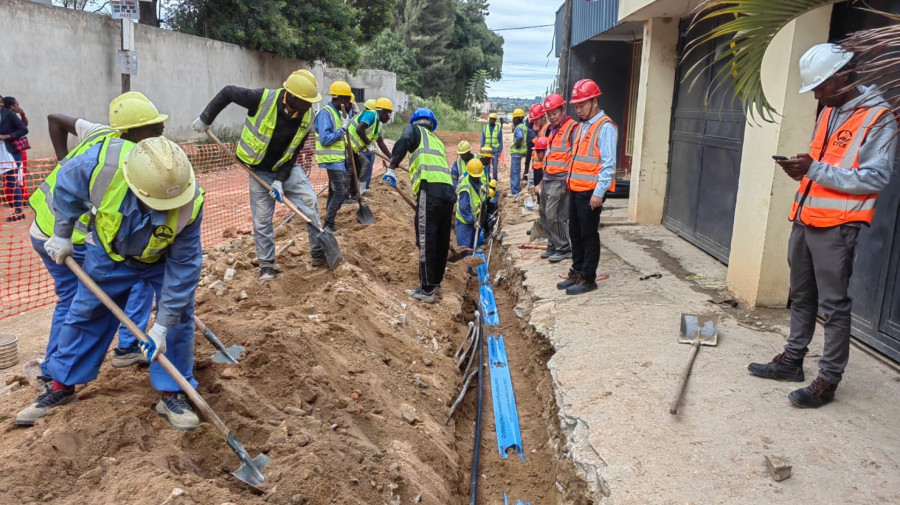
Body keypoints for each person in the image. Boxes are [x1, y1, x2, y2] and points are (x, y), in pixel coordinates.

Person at [16, 136, 206, 431]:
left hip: (163, 261)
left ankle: (173, 391)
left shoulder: (190, 201)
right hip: (109, 252)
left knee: (179, 318)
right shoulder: (99, 167)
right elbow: (65, 188)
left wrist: (162, 326)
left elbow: (184, 268)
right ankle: (62, 387)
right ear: (134, 185)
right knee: (86, 313)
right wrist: (63, 233)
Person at [748, 43, 897, 408]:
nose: (815, 94)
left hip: (837, 226)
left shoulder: (880, 118)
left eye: (820, 86)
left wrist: (812, 169)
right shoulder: (830, 111)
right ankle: (792, 361)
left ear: (844, 77)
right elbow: (826, 160)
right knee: (801, 297)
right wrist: (805, 165)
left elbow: (875, 178)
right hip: (806, 217)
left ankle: (827, 380)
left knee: (834, 306)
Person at [29, 94, 166, 382]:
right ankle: (114, 351)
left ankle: (57, 371)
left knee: (75, 300)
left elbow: (55, 119)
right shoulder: (127, 162)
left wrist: (63, 160)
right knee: (92, 298)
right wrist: (66, 163)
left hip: (44, 228)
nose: (158, 134)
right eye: (153, 128)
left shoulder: (99, 130)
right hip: (69, 234)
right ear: (130, 132)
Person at [193, 69, 326, 280]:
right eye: (306, 101)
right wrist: (205, 118)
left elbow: (293, 153)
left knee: (310, 204)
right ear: (291, 97)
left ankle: (319, 254)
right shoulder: (262, 99)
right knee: (263, 220)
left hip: (286, 168)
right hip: (259, 170)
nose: (310, 105)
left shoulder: (307, 116)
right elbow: (227, 92)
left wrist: (280, 182)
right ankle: (266, 265)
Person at [383, 108, 455, 304]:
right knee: (441, 239)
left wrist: (391, 168)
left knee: (426, 238)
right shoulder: (437, 141)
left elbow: (404, 142)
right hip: (448, 193)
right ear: (432, 124)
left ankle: (426, 289)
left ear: (416, 122)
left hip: (429, 190)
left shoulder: (414, 130)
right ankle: (436, 284)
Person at [556, 79, 617, 295]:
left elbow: (608, 165)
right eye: (576, 105)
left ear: (594, 101)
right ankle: (578, 271)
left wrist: (599, 193)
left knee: (588, 235)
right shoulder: (582, 126)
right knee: (575, 232)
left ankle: (589, 278)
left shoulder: (605, 127)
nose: (578, 109)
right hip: (576, 189)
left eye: (582, 104)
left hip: (591, 192)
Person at [540, 93, 578, 263]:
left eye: (554, 113)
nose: (552, 117)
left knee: (554, 215)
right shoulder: (552, 129)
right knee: (543, 213)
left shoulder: (572, 128)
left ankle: (563, 247)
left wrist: (568, 179)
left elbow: (575, 155)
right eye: (549, 114)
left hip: (560, 178)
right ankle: (552, 244)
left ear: (563, 110)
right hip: (548, 177)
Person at [314, 81, 354, 231]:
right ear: (342, 99)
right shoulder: (326, 113)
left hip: (337, 160)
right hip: (331, 160)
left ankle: (329, 222)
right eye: (348, 99)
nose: (349, 103)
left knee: (334, 191)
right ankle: (328, 223)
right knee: (341, 192)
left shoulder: (336, 113)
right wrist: (342, 129)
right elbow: (325, 139)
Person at [348, 97, 393, 194]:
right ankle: (352, 194)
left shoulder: (377, 125)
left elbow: (380, 142)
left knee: (362, 166)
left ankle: (357, 192)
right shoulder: (371, 115)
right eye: (389, 114)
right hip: (347, 145)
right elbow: (359, 129)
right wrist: (368, 144)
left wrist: (391, 157)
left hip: (354, 149)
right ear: (384, 112)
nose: (389, 118)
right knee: (354, 170)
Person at [0, 96, 29, 221]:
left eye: (1, 102)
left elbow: (23, 129)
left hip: (9, 152)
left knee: (13, 182)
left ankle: (18, 212)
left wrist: (7, 136)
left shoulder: (9, 115)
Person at [455, 159, 485, 253]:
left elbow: (478, 200)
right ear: (470, 174)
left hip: (473, 219)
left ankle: (471, 265)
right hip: (464, 222)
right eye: (475, 176)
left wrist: (484, 193)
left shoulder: (479, 182)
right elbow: (464, 208)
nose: (477, 178)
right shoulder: (465, 188)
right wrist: (473, 220)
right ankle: (466, 267)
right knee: (465, 249)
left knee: (472, 247)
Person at [509, 108, 528, 196]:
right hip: (521, 152)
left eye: (514, 118)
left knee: (514, 172)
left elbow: (520, 137)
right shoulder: (524, 126)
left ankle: (515, 191)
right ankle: (516, 188)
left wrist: (516, 143)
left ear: (517, 119)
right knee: (517, 171)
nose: (513, 120)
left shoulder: (519, 128)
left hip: (517, 152)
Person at [480, 112, 503, 180]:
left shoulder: (498, 128)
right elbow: (482, 139)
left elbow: (500, 140)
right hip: (486, 151)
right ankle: (487, 178)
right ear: (489, 119)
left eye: (493, 119)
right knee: (487, 165)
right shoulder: (485, 127)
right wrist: (482, 149)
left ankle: (495, 179)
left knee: (495, 166)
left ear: (495, 120)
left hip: (495, 150)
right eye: (491, 119)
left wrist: (500, 150)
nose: (492, 120)